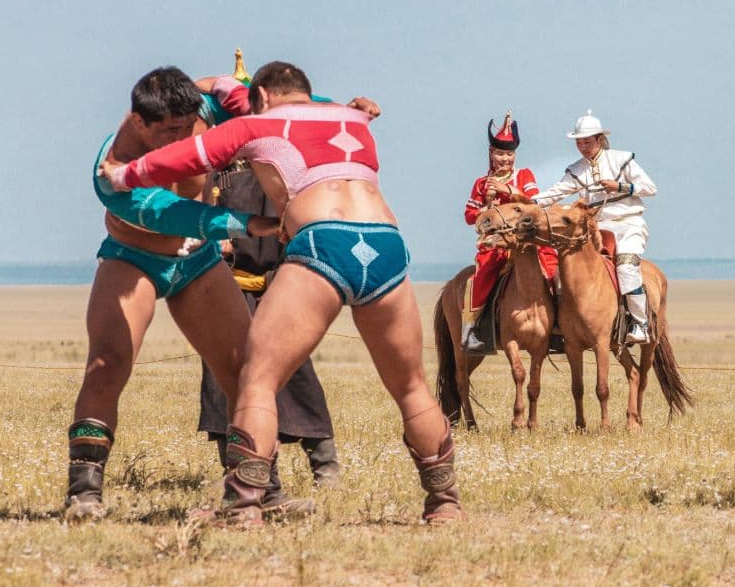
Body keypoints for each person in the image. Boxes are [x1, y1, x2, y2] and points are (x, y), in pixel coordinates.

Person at [102, 61, 465, 525]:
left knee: (257, 379)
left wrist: (119, 177)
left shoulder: (260, 123)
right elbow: (263, 98)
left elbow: (186, 157)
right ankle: (445, 504)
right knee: (412, 386)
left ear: (266, 95)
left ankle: (244, 506)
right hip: (386, 243)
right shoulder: (354, 118)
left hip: (323, 240)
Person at [66, 67, 279, 522]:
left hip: (198, 261)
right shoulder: (114, 168)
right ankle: (84, 494)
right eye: (169, 132)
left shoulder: (201, 109)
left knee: (245, 370)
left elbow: (274, 102)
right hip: (133, 257)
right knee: (108, 363)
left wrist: (336, 108)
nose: (181, 141)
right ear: (140, 122)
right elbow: (169, 214)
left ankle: (261, 490)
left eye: (187, 130)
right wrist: (240, 225)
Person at [198, 149, 341, 488]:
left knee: (295, 368)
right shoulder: (211, 173)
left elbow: (294, 223)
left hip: (278, 281)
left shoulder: (275, 169)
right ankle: (235, 467)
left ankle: (325, 463)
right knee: (222, 371)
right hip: (227, 285)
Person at [534, 111, 657, 344]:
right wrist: (527, 205)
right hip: (596, 229)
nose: (582, 147)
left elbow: (650, 188)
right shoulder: (576, 169)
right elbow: (554, 193)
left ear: (599, 139)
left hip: (629, 224)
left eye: (587, 142)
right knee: (566, 270)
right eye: (579, 142)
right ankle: (563, 323)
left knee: (627, 267)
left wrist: (620, 186)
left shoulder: (622, 159)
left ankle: (641, 324)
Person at [461, 113, 559, 353]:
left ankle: (561, 320)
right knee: (483, 273)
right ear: (491, 154)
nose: (505, 159)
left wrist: (509, 191)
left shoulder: (524, 176)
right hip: (496, 242)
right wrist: (486, 207)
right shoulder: (481, 184)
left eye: (509, 154)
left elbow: (534, 204)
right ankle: (469, 330)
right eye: (500, 154)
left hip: (525, 240)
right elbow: (468, 216)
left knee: (554, 265)